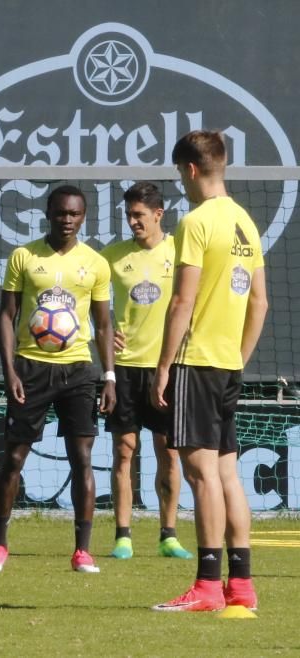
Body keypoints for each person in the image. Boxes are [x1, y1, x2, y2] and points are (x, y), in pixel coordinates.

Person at [150, 130, 267, 612]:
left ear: (192, 170)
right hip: (226, 365)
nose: (182, 182)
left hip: (196, 362)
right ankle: (240, 585)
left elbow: (183, 300)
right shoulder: (245, 221)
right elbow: (259, 302)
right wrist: (238, 357)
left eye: (180, 173)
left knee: (201, 477)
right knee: (226, 475)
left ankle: (206, 584)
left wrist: (162, 366)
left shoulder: (195, 222)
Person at [0, 185, 116, 574]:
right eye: (61, 213)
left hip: (78, 370)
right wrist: (9, 371)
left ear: (84, 216)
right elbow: (6, 316)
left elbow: (104, 325)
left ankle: (82, 551)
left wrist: (108, 376)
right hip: (30, 368)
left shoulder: (96, 263)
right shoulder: (24, 256)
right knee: (14, 458)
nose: (67, 220)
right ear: (48, 213)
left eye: (74, 214)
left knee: (83, 459)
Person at [101, 182, 192, 561]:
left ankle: (168, 534)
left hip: (166, 369)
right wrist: (101, 333)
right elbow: (87, 300)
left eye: (139, 215)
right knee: (124, 451)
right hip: (124, 369)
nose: (133, 222)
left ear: (158, 214)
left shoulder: (181, 253)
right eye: (129, 215)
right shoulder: (112, 257)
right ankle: (123, 535)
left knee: (168, 452)